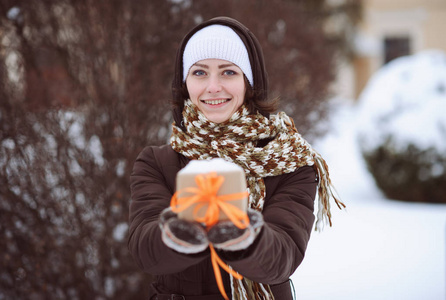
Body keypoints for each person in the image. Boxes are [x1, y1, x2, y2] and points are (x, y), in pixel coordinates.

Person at [128, 16, 344, 300]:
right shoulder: (157, 162)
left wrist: (244, 237)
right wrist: (180, 233)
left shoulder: (289, 161)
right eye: (200, 72)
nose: (213, 86)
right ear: (184, 83)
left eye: (228, 72)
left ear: (248, 82)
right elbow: (145, 252)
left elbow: (283, 257)